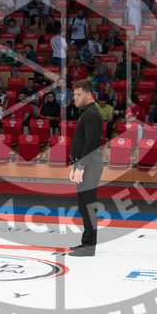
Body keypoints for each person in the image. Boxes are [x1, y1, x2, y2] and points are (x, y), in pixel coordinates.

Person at [68, 79, 103, 257]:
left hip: (89, 164)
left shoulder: (91, 114)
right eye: (74, 95)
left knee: (88, 205)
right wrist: (76, 164)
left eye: (79, 95)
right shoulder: (88, 113)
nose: (75, 98)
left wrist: (81, 165)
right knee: (84, 205)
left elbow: (91, 143)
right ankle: (86, 242)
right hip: (85, 163)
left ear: (89, 95)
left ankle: (89, 245)